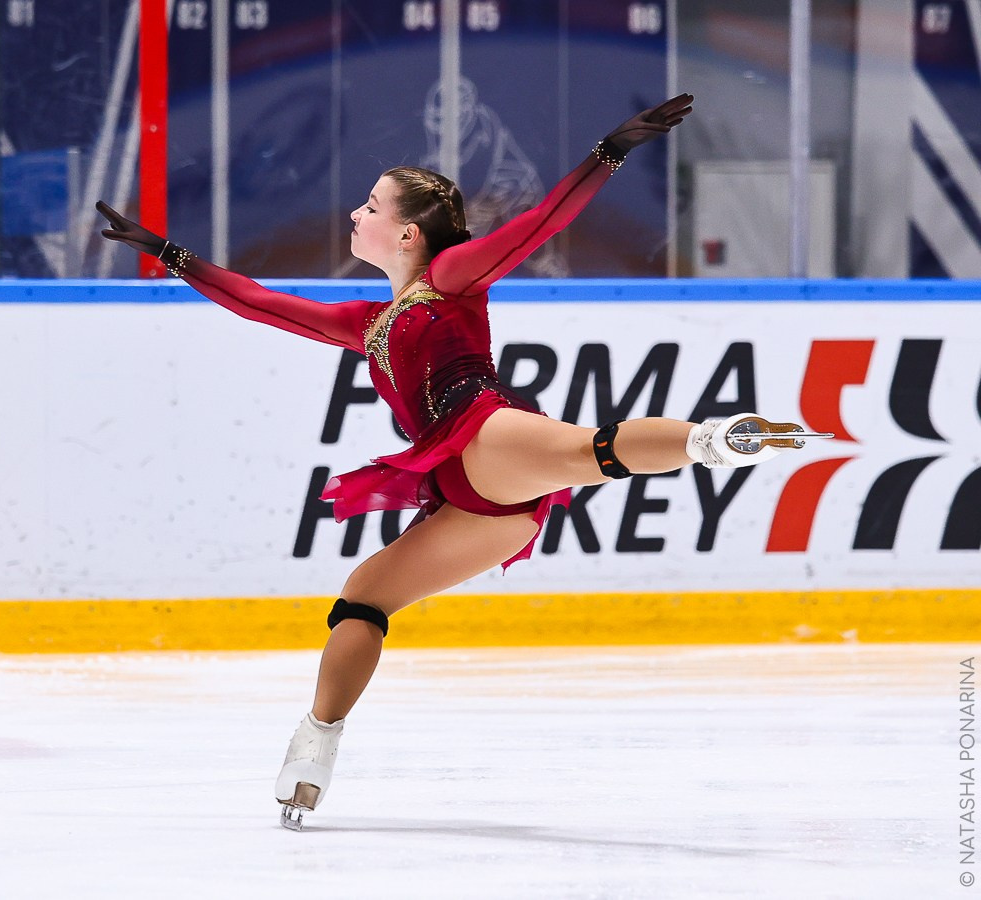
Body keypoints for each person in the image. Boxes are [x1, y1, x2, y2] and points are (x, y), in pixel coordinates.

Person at [97, 92, 830, 831]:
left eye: (372, 205)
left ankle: (711, 440)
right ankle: (314, 746)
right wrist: (169, 253)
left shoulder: (450, 280)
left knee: (586, 449)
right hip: (468, 503)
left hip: (486, 435)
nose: (357, 212)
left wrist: (608, 154)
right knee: (363, 598)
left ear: (408, 231)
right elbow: (260, 303)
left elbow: (535, 226)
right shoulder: (369, 322)